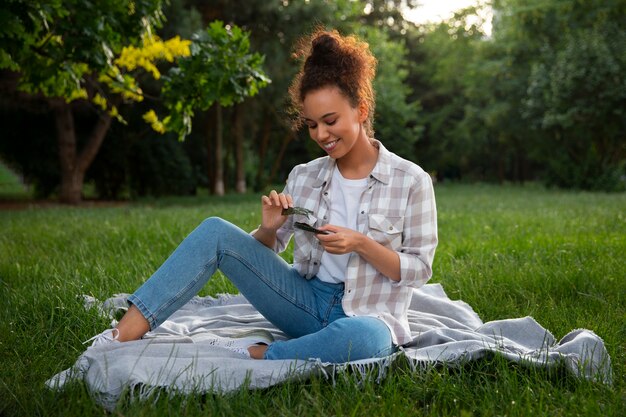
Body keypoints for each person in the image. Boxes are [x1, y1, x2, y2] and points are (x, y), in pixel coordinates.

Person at [88, 29, 438, 363]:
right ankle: (119, 337)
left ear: (361, 110)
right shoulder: (304, 176)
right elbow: (267, 252)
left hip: (370, 316)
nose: (321, 134)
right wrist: (269, 229)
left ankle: (261, 355)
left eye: (330, 120)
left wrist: (362, 244)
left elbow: (419, 270)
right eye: (312, 124)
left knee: (369, 340)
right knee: (215, 231)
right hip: (304, 302)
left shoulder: (411, 181)